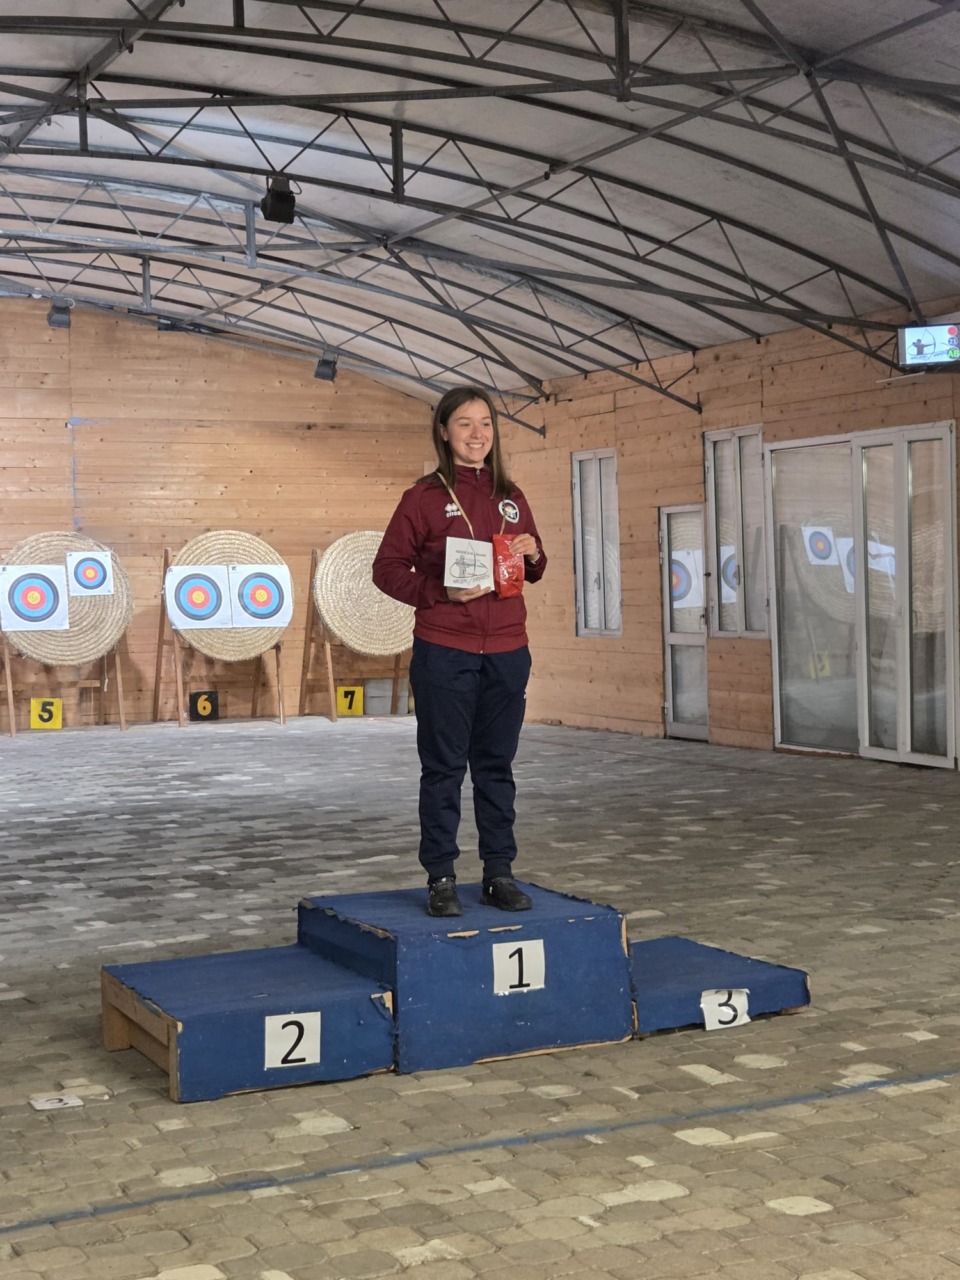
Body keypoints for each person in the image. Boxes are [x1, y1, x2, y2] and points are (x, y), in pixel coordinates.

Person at [372, 386, 547, 918]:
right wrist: (438, 592)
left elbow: (535, 567)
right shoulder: (422, 497)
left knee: (497, 767)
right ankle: (442, 878)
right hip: (445, 650)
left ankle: (499, 873)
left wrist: (534, 552)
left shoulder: (511, 494)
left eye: (486, 424)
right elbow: (386, 569)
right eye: (465, 424)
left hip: (508, 651)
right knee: (444, 768)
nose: (477, 434)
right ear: (444, 432)